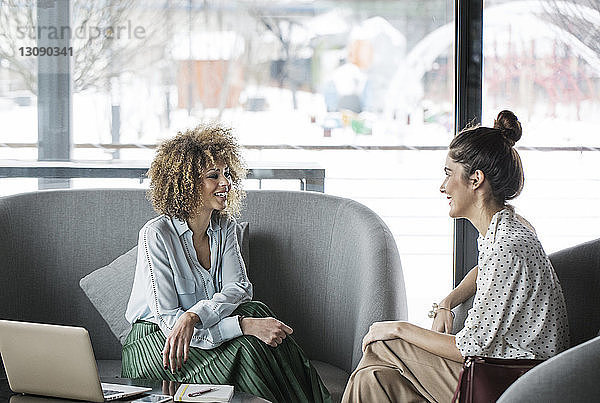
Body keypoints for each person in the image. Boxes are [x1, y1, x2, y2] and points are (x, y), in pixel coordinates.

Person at [341, 110, 570, 402]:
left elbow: (469, 345)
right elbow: (485, 271)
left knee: (383, 345)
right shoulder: (508, 227)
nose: (442, 186)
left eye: (449, 174)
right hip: (511, 371)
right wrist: (447, 302)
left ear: (475, 179)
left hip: (515, 381)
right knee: (372, 379)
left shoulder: (506, 246)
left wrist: (397, 326)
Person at [122, 124, 331, 403]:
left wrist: (194, 315)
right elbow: (170, 323)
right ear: (186, 182)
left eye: (227, 173)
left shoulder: (225, 227)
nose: (225, 183)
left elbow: (240, 288)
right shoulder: (156, 234)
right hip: (161, 344)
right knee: (250, 345)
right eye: (213, 176)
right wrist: (243, 325)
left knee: (257, 311)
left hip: (198, 328)